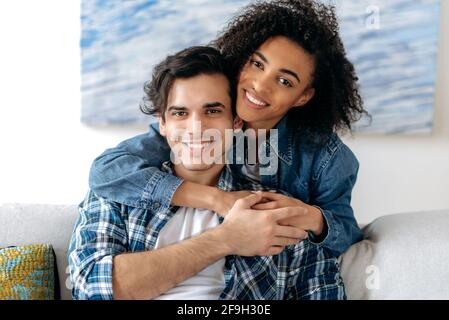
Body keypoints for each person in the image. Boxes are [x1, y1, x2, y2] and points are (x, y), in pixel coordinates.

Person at [88, 0, 369, 258]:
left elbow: (348, 235)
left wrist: (314, 219)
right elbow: (106, 171)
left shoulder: (328, 159)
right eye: (257, 64)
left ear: (304, 96)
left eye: (284, 81)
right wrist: (218, 200)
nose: (260, 85)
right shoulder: (201, 123)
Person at [68, 46, 346, 300]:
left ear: (236, 121)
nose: (197, 128)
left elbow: (322, 287)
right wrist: (226, 239)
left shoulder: (273, 208)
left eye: (212, 111)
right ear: (161, 123)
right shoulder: (117, 192)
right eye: (179, 114)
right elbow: (89, 287)